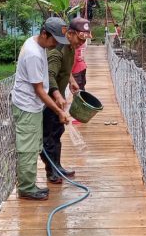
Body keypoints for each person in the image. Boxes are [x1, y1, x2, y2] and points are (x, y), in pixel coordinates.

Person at [11, 17, 70, 200]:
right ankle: (26, 188)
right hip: (27, 106)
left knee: (35, 144)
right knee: (28, 149)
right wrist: (59, 111)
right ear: (44, 34)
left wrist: (56, 98)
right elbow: (39, 90)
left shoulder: (38, 44)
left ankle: (30, 184)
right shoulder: (34, 54)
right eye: (54, 40)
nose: (56, 45)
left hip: (33, 106)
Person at [41, 17, 92, 184]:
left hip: (58, 98)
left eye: (84, 40)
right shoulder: (57, 51)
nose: (81, 43)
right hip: (48, 101)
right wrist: (57, 96)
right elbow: (49, 76)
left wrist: (71, 80)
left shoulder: (71, 47)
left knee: (58, 132)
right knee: (49, 136)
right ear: (70, 34)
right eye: (80, 39)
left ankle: (57, 167)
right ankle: (51, 171)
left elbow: (65, 68)